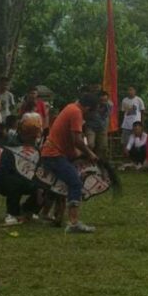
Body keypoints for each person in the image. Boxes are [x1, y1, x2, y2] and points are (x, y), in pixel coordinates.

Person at [40, 94, 100, 233]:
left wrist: (81, 155)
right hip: (54, 155)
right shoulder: (76, 112)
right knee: (75, 183)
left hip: (54, 153)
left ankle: (47, 214)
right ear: (88, 108)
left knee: (59, 184)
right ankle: (73, 222)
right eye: (91, 112)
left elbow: (70, 143)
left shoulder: (70, 108)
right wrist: (90, 153)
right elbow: (77, 141)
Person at [0, 114, 45, 226]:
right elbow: (7, 170)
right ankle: (12, 213)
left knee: (46, 185)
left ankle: (27, 209)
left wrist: (40, 186)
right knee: (14, 181)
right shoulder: (11, 145)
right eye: (31, 135)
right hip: (7, 179)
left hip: (27, 179)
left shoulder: (35, 147)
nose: (33, 138)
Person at [83, 90, 111, 160]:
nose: (103, 102)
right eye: (101, 100)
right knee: (90, 144)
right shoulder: (92, 105)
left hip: (102, 128)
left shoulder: (110, 105)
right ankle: (87, 159)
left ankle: (98, 161)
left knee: (103, 146)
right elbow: (85, 115)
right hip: (91, 127)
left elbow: (107, 116)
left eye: (105, 100)